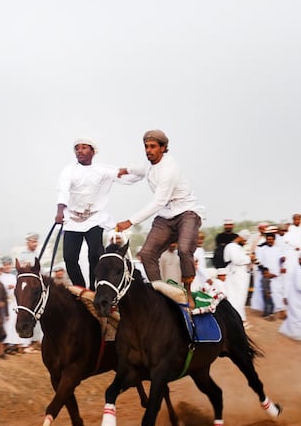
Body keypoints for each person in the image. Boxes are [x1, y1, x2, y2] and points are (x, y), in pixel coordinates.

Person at [115, 129, 205, 307]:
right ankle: (161, 292)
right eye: (146, 146)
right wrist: (125, 170)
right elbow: (141, 169)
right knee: (147, 254)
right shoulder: (150, 164)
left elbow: (158, 202)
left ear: (163, 148)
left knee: (184, 249)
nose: (149, 150)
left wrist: (130, 221)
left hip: (187, 212)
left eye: (153, 147)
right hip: (167, 215)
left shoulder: (169, 169)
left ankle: (187, 292)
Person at [55, 137, 121, 288]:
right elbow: (63, 190)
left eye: (84, 148)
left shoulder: (101, 170)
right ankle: (81, 289)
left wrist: (133, 171)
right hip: (72, 218)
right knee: (70, 258)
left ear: (93, 151)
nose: (79, 151)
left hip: (94, 218)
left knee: (95, 254)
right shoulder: (68, 170)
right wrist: (59, 211)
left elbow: (121, 175)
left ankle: (93, 286)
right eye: (77, 148)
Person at [224, 229, 253, 326]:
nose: (245, 243)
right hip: (237, 275)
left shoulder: (236, 247)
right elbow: (237, 260)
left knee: (240, 297)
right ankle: (238, 319)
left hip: (240, 275)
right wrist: (249, 258)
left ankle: (239, 318)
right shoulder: (232, 247)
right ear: (241, 237)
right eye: (244, 240)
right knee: (236, 297)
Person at [0, 257, 24, 355]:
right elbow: (0, 290)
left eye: (9, 264)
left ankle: (15, 344)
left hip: (14, 303)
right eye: (5, 265)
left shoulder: (14, 277)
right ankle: (6, 344)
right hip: (6, 304)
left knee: (14, 323)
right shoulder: (1, 277)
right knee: (7, 324)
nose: (7, 266)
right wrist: (6, 288)